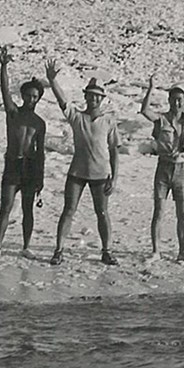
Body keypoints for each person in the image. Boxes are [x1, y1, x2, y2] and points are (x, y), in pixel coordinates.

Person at [45, 59, 120, 266]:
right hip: (77, 172)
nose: (94, 99)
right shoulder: (77, 117)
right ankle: (59, 250)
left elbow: (114, 151)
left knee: (102, 212)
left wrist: (114, 177)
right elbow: (63, 102)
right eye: (91, 95)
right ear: (86, 96)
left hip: (101, 173)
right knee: (68, 210)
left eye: (98, 96)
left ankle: (107, 250)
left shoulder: (108, 121)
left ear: (102, 99)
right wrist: (53, 81)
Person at [0, 46, 46, 261]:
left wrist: (40, 176)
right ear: (23, 96)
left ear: (39, 98)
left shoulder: (40, 123)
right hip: (13, 164)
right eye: (29, 96)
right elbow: (4, 91)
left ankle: (26, 246)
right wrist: (3, 67)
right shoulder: (13, 113)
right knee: (6, 206)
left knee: (28, 209)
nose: (32, 99)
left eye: (35, 97)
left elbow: (40, 153)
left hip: (30, 167)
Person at [140, 75, 184, 264]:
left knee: (183, 213)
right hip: (164, 167)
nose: (176, 103)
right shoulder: (161, 120)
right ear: (169, 101)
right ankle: (156, 251)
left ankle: (183, 251)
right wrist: (150, 88)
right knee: (159, 211)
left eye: (180, 100)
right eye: (173, 99)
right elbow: (144, 110)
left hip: (182, 169)